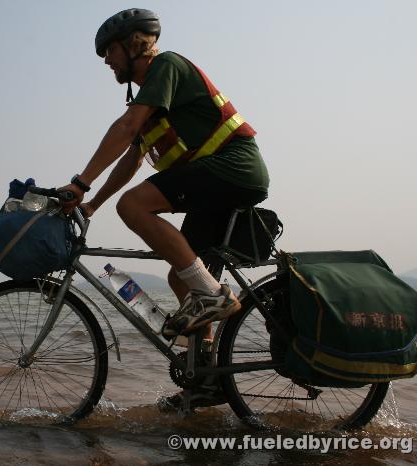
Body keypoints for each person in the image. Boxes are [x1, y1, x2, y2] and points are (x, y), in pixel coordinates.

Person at [60, 8, 269, 342]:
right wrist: (92, 205)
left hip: (234, 168)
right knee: (181, 278)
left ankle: (213, 296)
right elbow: (131, 161)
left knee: (132, 206)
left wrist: (80, 183)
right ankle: (204, 378)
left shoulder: (166, 66)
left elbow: (127, 127)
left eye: (110, 51)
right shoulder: (154, 101)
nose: (105, 61)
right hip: (216, 183)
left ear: (133, 45)